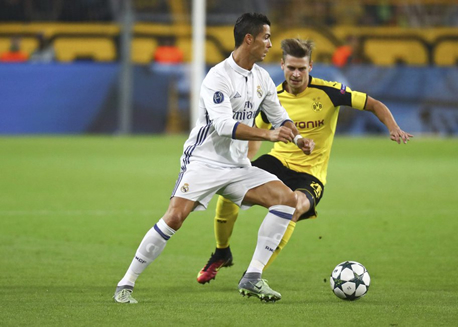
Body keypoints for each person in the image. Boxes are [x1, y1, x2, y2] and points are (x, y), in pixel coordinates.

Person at [113, 13, 314, 304]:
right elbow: (224, 126)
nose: (270, 43)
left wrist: (296, 138)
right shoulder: (218, 77)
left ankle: (253, 277)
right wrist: (268, 135)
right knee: (175, 218)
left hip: (237, 166)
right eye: (266, 37)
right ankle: (126, 283)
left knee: (287, 199)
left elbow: (281, 118)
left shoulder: (262, 78)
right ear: (250, 39)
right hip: (204, 161)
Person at [196, 38, 413, 284]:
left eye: (301, 68)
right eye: (291, 68)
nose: (296, 74)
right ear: (282, 66)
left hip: (311, 174)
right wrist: (244, 164)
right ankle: (222, 251)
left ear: (310, 66)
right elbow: (257, 136)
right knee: (229, 188)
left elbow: (372, 104)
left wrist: (393, 127)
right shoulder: (272, 97)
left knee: (295, 206)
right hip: (277, 163)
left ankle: (254, 272)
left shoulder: (329, 92)